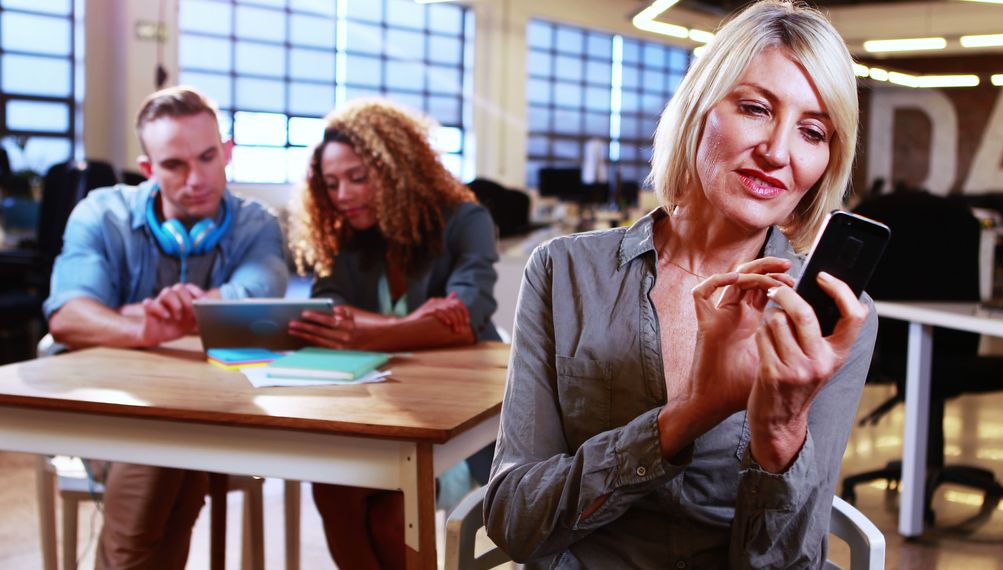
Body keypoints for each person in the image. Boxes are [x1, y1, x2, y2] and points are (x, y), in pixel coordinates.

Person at [484, 1, 878, 567]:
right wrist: (687, 416)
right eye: (754, 107)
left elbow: (790, 562)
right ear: (698, 109)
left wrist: (782, 430)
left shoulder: (829, 318)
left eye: (812, 131)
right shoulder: (566, 272)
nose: (777, 151)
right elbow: (515, 520)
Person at [44, 86, 288, 569]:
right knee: (165, 453)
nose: (195, 178)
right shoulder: (100, 214)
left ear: (227, 153)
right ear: (148, 170)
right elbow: (68, 314)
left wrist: (124, 315)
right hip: (110, 410)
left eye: (207, 157)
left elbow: (260, 303)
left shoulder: (257, 224)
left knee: (172, 457)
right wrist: (145, 330)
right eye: (174, 165)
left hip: (211, 414)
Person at [288, 98, 499, 569]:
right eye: (332, 183)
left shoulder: (466, 221)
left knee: (389, 515)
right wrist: (411, 325)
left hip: (457, 427)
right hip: (380, 417)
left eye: (359, 177)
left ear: (400, 167)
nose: (343, 194)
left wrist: (365, 333)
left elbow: (466, 316)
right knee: (331, 486)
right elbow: (327, 313)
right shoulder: (350, 241)